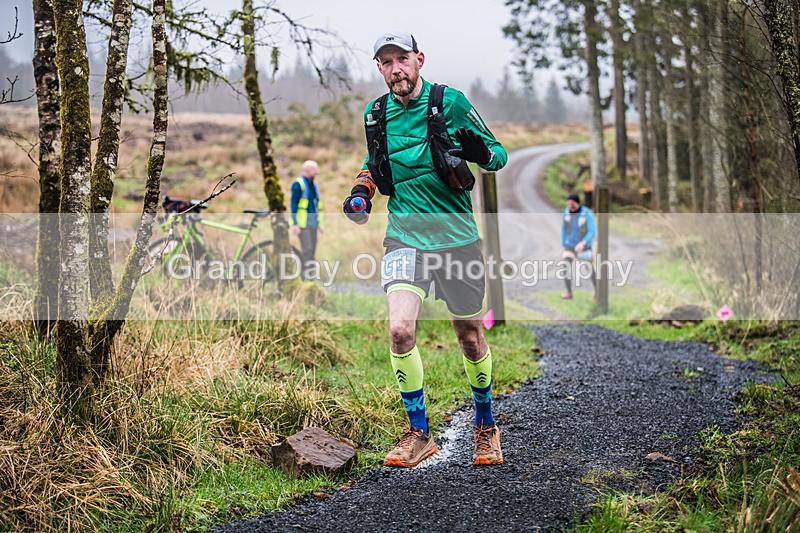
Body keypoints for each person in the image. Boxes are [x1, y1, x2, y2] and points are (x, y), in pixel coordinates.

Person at [342, 31, 508, 468]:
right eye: (386, 62)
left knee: (469, 335)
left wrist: (482, 153)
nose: (395, 68)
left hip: (456, 238)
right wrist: (362, 191)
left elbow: (498, 154)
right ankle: (419, 433)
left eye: (401, 59)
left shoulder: (448, 102)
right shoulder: (375, 114)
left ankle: (486, 427)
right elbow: (375, 162)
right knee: (399, 330)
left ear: (418, 59)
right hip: (405, 236)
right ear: (379, 69)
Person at [290, 160, 323, 278]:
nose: (317, 172)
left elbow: (317, 206)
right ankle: (305, 278)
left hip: (313, 224)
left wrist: (320, 225)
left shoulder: (314, 186)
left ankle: (310, 279)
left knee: (312, 251)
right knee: (307, 250)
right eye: (315, 170)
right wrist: (295, 224)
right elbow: (293, 204)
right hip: (302, 224)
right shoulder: (298, 184)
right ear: (307, 170)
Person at [560, 192, 596, 300]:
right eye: (569, 205)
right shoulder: (566, 213)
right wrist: (563, 243)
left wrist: (583, 243)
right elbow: (564, 229)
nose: (571, 207)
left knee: (589, 269)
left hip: (583, 246)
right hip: (570, 245)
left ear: (577, 203)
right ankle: (569, 293)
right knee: (565, 266)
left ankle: (598, 293)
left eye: (573, 205)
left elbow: (592, 231)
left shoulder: (587, 214)